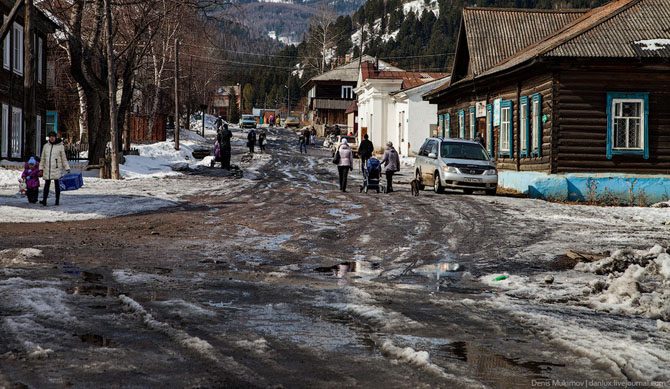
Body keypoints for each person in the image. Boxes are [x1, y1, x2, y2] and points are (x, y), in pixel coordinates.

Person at [40, 131, 70, 206]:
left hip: (56, 168)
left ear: (55, 137)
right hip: (47, 168)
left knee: (57, 185)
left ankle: (57, 200)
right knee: (47, 185)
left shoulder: (60, 146)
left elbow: (63, 158)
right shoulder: (46, 146)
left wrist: (67, 167)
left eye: (53, 136)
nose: (52, 138)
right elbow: (42, 158)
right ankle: (44, 200)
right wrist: (40, 168)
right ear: (49, 138)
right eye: (50, 137)